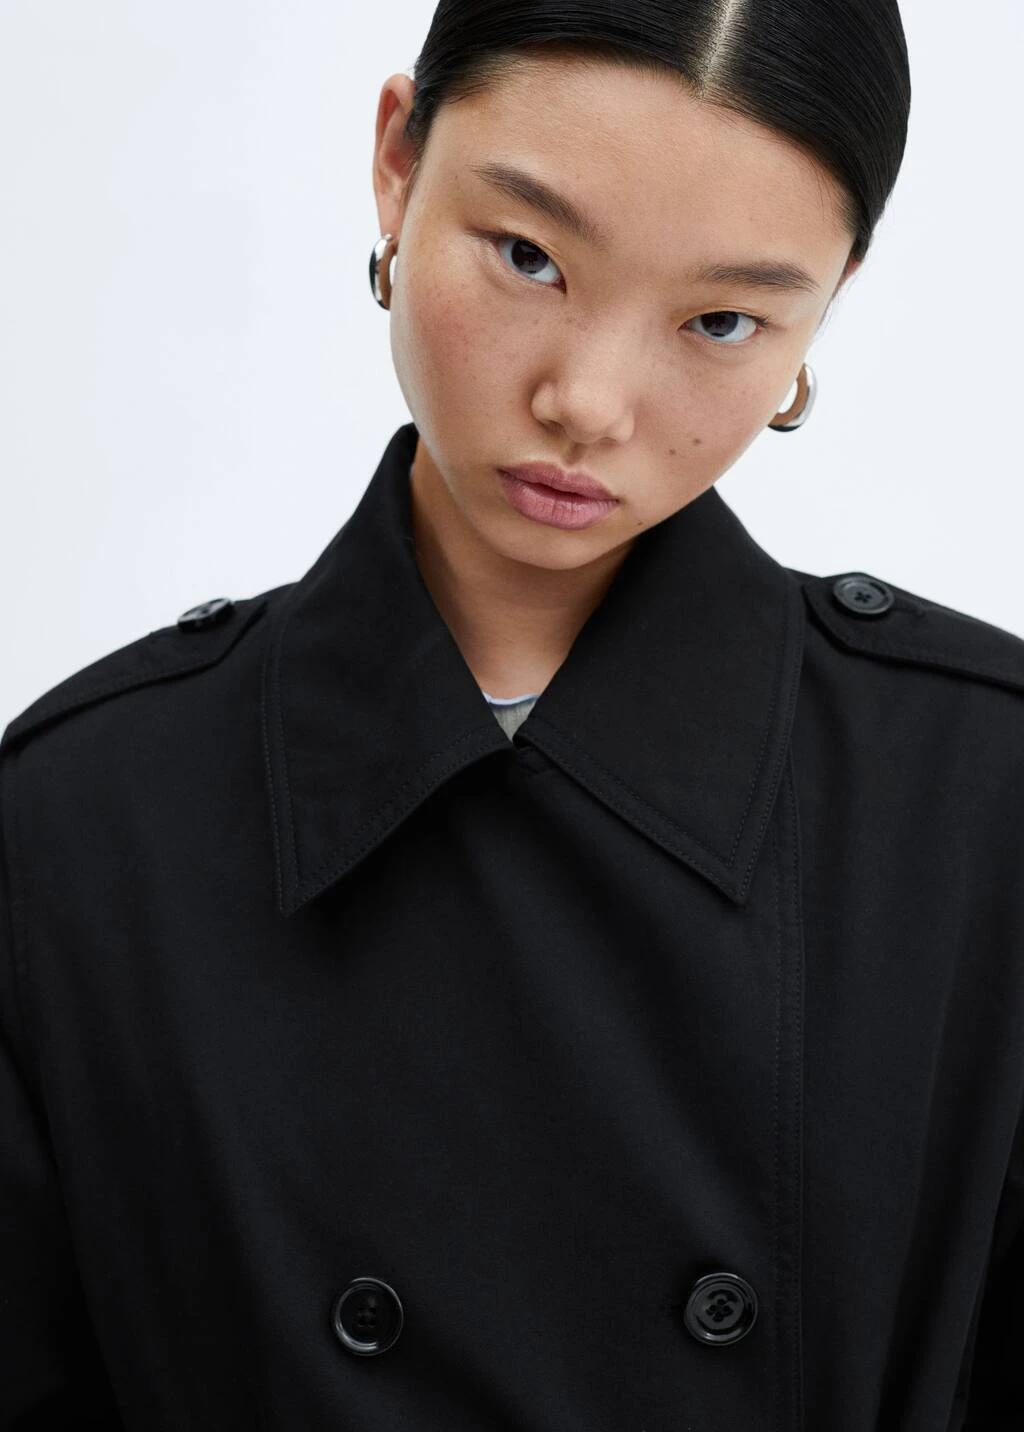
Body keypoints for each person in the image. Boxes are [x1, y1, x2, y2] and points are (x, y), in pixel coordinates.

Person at [2, 2, 1023, 1428]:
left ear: (829, 300)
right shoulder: (86, 823)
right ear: (397, 163)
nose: (587, 403)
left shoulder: (979, 802)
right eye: (529, 256)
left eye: (721, 320)